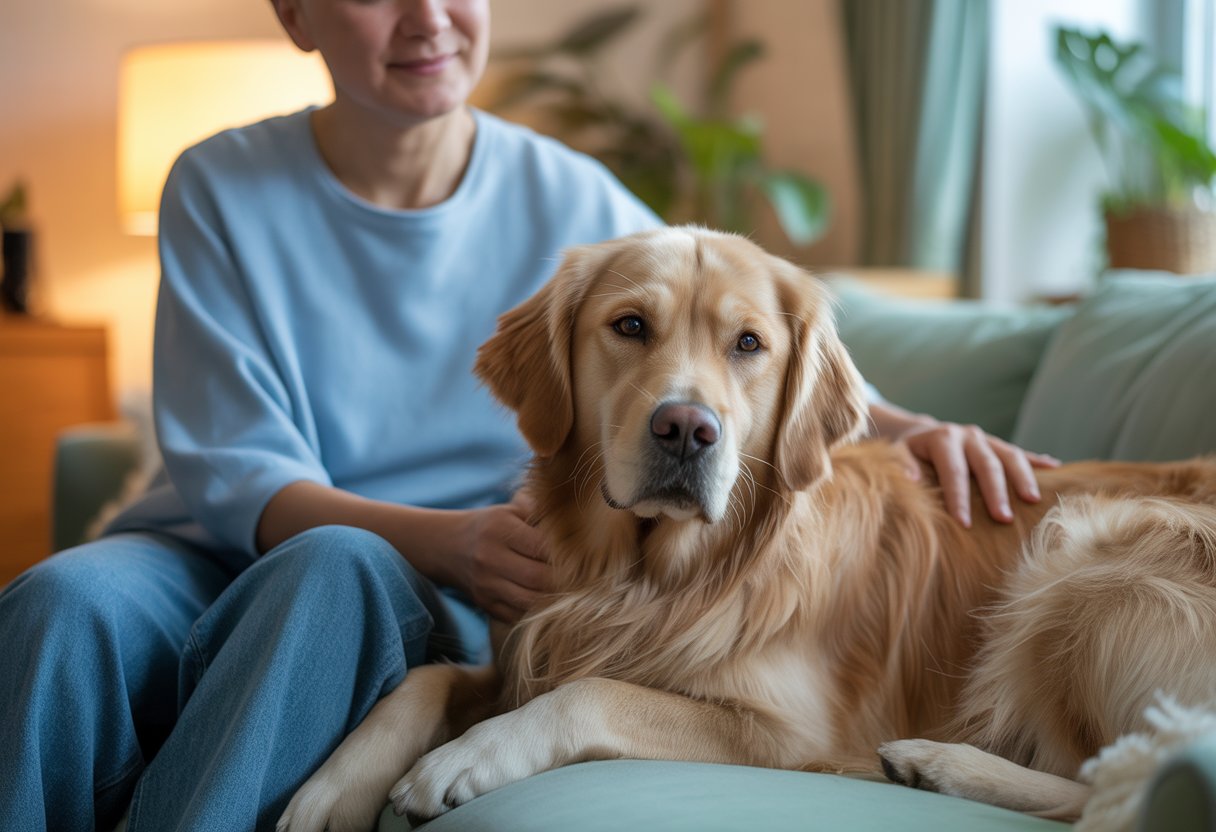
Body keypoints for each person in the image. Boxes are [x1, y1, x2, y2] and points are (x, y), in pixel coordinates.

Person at [0, 1, 1057, 829]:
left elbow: (731, 338)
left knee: (326, 566)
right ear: (295, 15)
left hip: (386, 573)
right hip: (237, 544)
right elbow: (235, 477)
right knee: (57, 603)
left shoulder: (568, 194)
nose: (427, 18)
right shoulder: (216, 183)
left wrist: (912, 429)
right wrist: (454, 541)